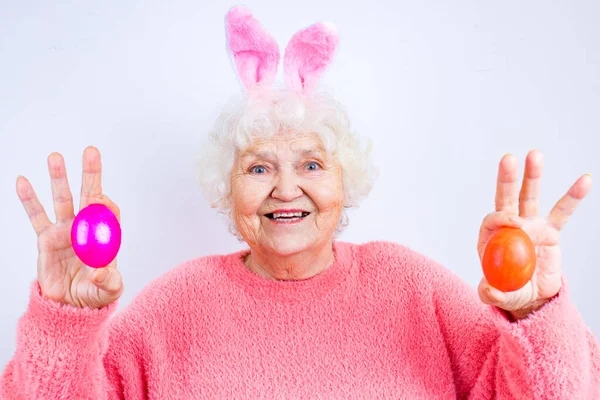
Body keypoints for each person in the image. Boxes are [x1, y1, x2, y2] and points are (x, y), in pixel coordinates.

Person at [2, 6, 599, 399]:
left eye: (311, 164)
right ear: (227, 188)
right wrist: (63, 326)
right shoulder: (171, 309)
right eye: (258, 166)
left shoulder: (412, 286)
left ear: (346, 182)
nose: (286, 189)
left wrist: (536, 315)